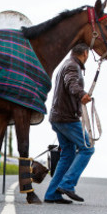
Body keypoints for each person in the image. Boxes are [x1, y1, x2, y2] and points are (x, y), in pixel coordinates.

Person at [44, 43, 94, 204]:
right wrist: (81, 94)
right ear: (85, 53)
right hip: (67, 119)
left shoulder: (67, 64)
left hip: (58, 118)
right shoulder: (73, 67)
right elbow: (71, 83)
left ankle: (52, 193)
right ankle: (67, 184)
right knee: (87, 148)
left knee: (68, 154)